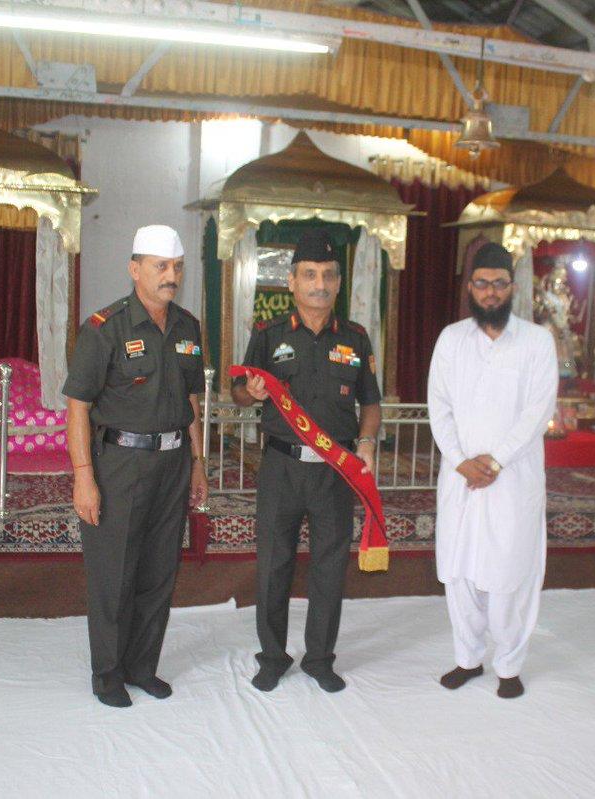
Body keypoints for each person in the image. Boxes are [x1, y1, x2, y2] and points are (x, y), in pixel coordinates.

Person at [62, 224, 208, 708]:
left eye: (177, 267)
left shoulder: (188, 327)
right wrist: (84, 476)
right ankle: (107, 674)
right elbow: (78, 405)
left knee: (158, 571)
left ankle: (143, 667)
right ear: (134, 269)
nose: (171, 276)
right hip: (119, 464)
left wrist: (199, 462)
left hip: (172, 464)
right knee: (114, 573)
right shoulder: (105, 327)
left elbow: (191, 399)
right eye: (160, 266)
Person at [231, 228, 382, 693]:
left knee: (329, 566)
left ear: (339, 283)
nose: (320, 284)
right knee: (274, 564)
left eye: (329, 276)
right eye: (310, 275)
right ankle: (272, 657)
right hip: (281, 467)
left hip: (334, 473)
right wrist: (248, 392)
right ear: (292, 282)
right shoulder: (268, 333)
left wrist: (368, 442)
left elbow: (370, 403)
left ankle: (320, 658)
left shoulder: (355, 339)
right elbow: (237, 392)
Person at [427, 242, 558, 699]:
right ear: (469, 287)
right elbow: (438, 407)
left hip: (513, 478)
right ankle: (468, 659)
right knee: (460, 571)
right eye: (481, 283)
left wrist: (496, 460)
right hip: (460, 476)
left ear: (512, 288)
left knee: (510, 572)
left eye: (499, 284)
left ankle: (509, 665)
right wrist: (461, 459)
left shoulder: (538, 342)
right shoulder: (451, 339)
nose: (490, 292)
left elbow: (537, 412)